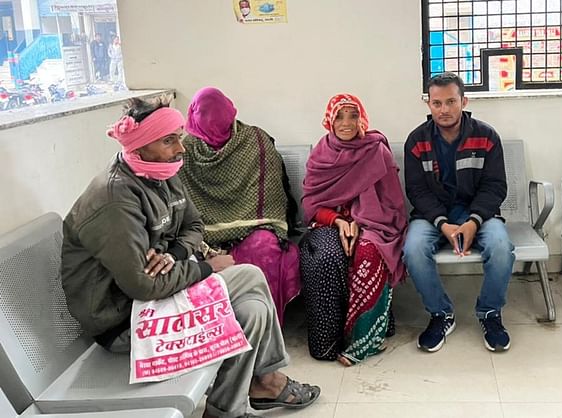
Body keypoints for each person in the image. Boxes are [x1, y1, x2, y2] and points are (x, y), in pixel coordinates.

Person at [60, 96, 319, 418]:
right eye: (169, 141)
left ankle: (231, 406)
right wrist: (209, 266)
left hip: (155, 300)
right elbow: (143, 286)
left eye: (179, 138)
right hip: (124, 320)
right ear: (140, 146)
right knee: (250, 275)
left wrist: (174, 253)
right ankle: (263, 383)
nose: (180, 148)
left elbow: (194, 224)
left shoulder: (160, 172)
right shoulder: (115, 200)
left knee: (251, 310)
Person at [403, 72, 514, 353]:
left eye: (451, 101)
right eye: (437, 103)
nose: (444, 110)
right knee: (413, 249)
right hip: (433, 216)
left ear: (464, 101)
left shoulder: (486, 136)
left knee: (501, 246)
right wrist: (443, 224)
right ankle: (441, 313)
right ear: (429, 104)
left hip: (478, 212)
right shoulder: (416, 141)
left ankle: (489, 313)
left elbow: (495, 187)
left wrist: (474, 221)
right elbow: (417, 192)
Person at [300, 93, 407, 366]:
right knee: (325, 258)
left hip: (374, 223)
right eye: (339, 116)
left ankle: (365, 340)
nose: (346, 123)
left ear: (362, 119)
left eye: (353, 115)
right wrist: (339, 221)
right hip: (330, 223)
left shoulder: (376, 151)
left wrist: (360, 222)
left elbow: (392, 202)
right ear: (329, 121)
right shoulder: (321, 155)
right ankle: (328, 340)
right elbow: (311, 204)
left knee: (369, 252)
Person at [179, 87, 301, 326]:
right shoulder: (185, 151)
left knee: (265, 248)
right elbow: (182, 205)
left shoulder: (255, 141)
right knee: (189, 255)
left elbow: (269, 197)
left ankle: (266, 324)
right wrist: (205, 241)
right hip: (203, 234)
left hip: (253, 226)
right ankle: (220, 329)